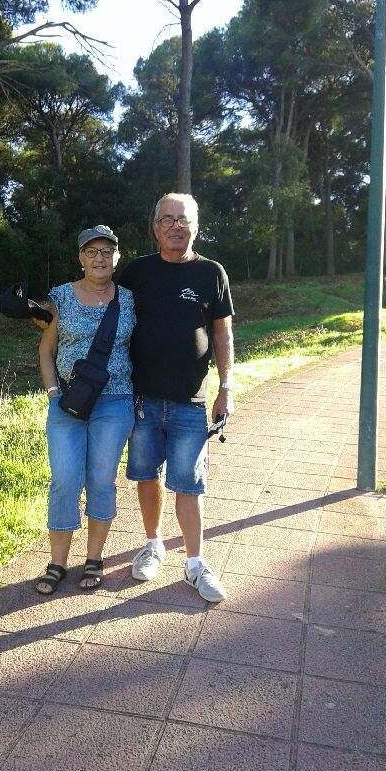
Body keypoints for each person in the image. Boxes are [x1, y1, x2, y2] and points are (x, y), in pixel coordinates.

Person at [118, 192, 234, 603]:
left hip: (191, 401)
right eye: (166, 219)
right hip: (143, 400)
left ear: (195, 226)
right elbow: (102, 310)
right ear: (155, 227)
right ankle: (153, 544)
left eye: (183, 219)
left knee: (189, 483)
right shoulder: (135, 273)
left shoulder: (211, 273)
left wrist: (226, 387)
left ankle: (195, 564)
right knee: (146, 475)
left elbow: (222, 333)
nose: (175, 226)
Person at [35, 225, 135, 594]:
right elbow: (46, 349)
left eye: (107, 251)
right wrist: (52, 392)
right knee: (65, 479)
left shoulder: (129, 299)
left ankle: (94, 558)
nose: (99, 258)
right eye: (91, 251)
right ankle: (57, 563)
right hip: (67, 403)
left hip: (115, 402)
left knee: (101, 479)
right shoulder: (60, 297)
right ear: (80, 258)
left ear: (116, 257)